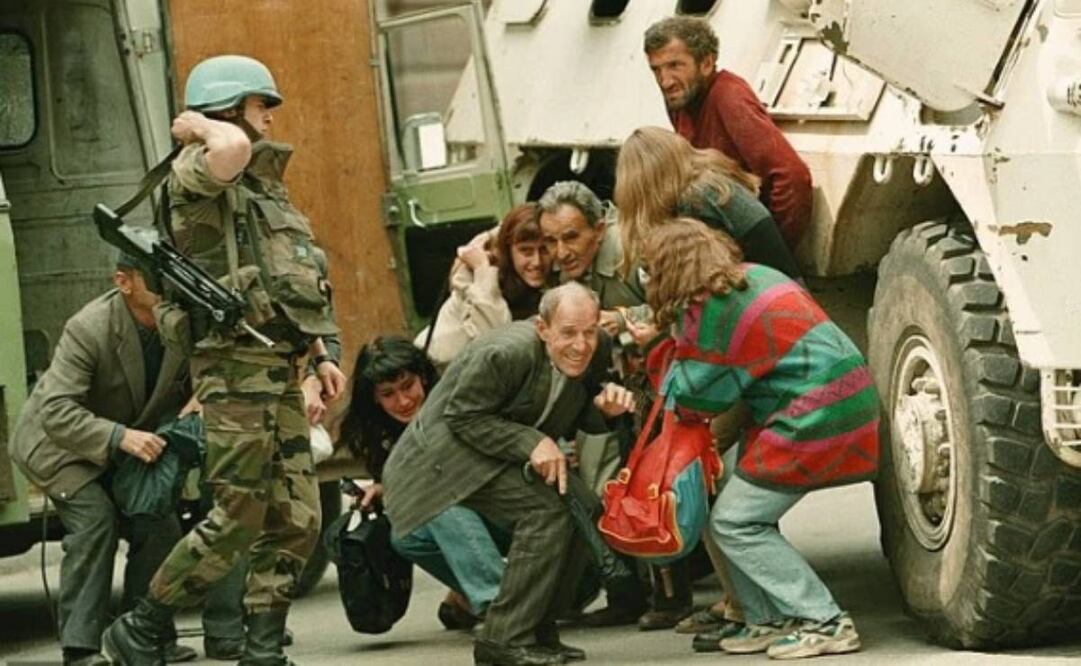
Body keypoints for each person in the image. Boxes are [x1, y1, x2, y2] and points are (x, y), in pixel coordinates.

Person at [102, 54, 346, 666]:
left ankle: (262, 647)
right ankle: (139, 628)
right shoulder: (200, 169)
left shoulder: (262, 188)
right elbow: (230, 147)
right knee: (237, 513)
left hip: (276, 366)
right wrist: (198, 126)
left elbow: (283, 279)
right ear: (230, 109)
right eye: (261, 103)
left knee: (296, 517)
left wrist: (319, 355)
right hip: (232, 369)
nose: (270, 116)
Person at [641, 218, 878, 659]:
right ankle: (766, 618)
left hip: (812, 418)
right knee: (727, 497)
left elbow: (692, 399)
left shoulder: (710, 310)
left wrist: (663, 343)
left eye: (649, 270)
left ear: (669, 271)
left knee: (735, 521)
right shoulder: (755, 275)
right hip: (843, 402)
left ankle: (824, 620)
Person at [383, 282, 636, 666]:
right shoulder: (505, 352)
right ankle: (501, 638)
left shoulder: (594, 347)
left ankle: (537, 631)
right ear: (542, 328)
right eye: (568, 333)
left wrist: (605, 411)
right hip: (444, 461)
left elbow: (571, 406)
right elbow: (462, 415)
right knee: (545, 511)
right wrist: (531, 443)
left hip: (497, 452)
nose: (581, 344)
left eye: (588, 331)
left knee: (582, 507)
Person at [10, 253, 197, 666]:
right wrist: (120, 437)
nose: (168, 292)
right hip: (60, 444)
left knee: (159, 519)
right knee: (95, 522)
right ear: (124, 282)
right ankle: (81, 649)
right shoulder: (89, 327)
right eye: (156, 282)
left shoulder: (180, 323)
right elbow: (56, 410)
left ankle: (144, 634)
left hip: (125, 441)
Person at [337, 336, 506, 628]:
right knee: (406, 534)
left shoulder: (459, 403)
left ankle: (501, 607)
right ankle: (497, 597)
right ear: (374, 398)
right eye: (388, 393)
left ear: (423, 378)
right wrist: (385, 486)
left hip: (519, 519)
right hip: (477, 525)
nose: (403, 401)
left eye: (407, 386)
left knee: (437, 502)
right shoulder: (381, 435)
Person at [643, 16, 813, 247]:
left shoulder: (728, 97)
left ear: (706, 63)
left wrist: (773, 252)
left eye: (675, 66)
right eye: (656, 70)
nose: (665, 81)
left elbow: (792, 177)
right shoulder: (682, 99)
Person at [614, 125, 801, 281]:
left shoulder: (697, 199)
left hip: (765, 300)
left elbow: (707, 282)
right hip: (783, 290)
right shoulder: (714, 181)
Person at [419, 203, 552, 370]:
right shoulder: (475, 277)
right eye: (526, 251)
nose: (537, 262)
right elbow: (497, 342)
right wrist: (482, 269)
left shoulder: (536, 285)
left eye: (544, 250)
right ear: (508, 251)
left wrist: (491, 234)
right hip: (437, 369)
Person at [537, 181, 645, 337]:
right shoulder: (551, 261)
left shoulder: (634, 248)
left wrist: (623, 319)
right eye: (551, 241)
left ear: (599, 230)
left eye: (571, 238)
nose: (561, 253)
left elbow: (682, 310)